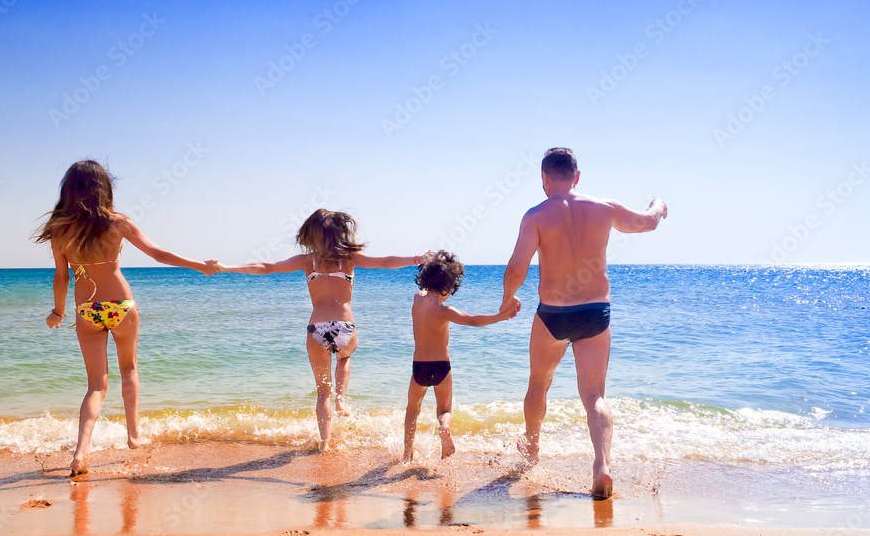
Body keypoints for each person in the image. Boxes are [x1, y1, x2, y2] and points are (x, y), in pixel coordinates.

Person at [499, 148, 667, 499]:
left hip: (553, 315)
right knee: (594, 395)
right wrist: (659, 205)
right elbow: (646, 222)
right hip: (595, 313)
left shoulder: (536, 215)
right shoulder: (603, 208)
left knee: (538, 385)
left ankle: (531, 452)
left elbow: (517, 268)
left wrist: (507, 299)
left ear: (544, 179)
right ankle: (602, 465)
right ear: (577, 176)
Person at [35, 160, 217, 477]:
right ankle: (133, 436)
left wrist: (58, 311)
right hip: (121, 305)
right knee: (129, 369)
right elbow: (158, 254)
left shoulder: (60, 231)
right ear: (104, 189)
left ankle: (80, 453)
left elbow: (61, 277)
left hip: (87, 311)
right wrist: (199, 265)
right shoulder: (118, 224)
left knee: (95, 386)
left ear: (68, 191)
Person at [217, 208, 429, 452]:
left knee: (321, 392)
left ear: (312, 234)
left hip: (316, 328)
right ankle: (342, 399)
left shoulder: (308, 261)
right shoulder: (350, 258)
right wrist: (417, 259)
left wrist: (228, 267)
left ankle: (325, 443)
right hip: (344, 326)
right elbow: (384, 262)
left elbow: (266, 266)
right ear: (340, 232)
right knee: (345, 357)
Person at [403, 251, 518, 463]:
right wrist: (502, 316)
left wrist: (431, 261)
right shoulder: (445, 311)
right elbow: (474, 321)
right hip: (441, 367)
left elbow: (426, 287)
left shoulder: (418, 299)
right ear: (447, 289)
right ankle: (444, 427)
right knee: (444, 409)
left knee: (412, 409)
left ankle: (406, 455)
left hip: (419, 366)